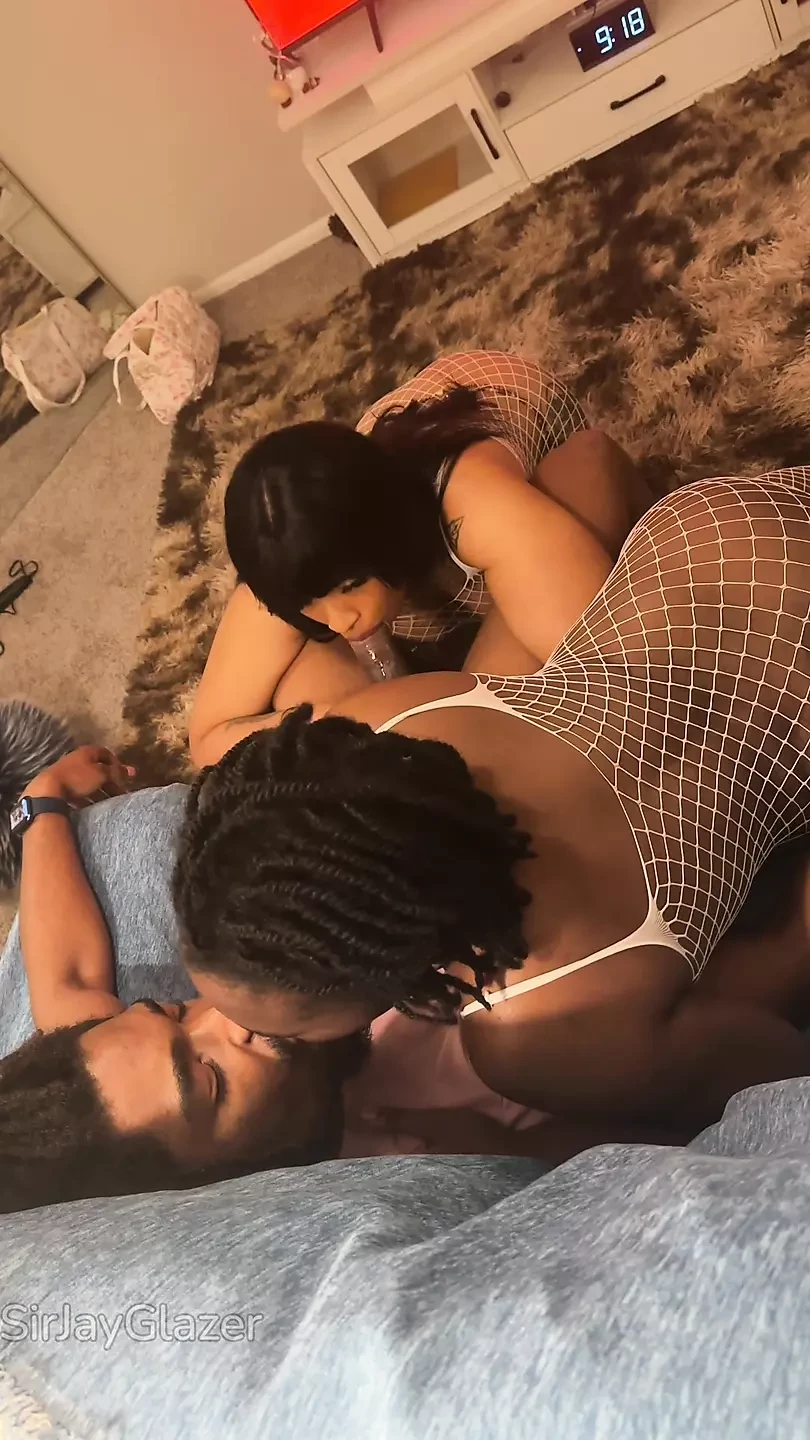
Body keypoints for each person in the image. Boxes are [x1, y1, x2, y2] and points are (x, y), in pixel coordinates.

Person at [175, 467, 810, 1134]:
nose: (229, 1028)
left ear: (378, 979)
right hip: (716, 535)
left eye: (293, 1030)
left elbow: (777, 1063)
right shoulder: (386, 722)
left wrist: (551, 1139)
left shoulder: (534, 1031)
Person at [189, 352, 650, 768]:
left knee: (490, 734)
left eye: (350, 586)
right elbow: (210, 738)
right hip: (376, 512)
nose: (341, 621)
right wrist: (343, 717)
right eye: (310, 603)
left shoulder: (476, 506)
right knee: (302, 692)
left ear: (391, 534)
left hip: (547, 460)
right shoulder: (293, 562)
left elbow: (620, 682)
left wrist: (416, 723)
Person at [0, 748, 355, 1214]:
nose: (227, 1013)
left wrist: (42, 800)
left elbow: (68, 980)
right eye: (211, 1077)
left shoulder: (112, 1078)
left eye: (177, 1010)